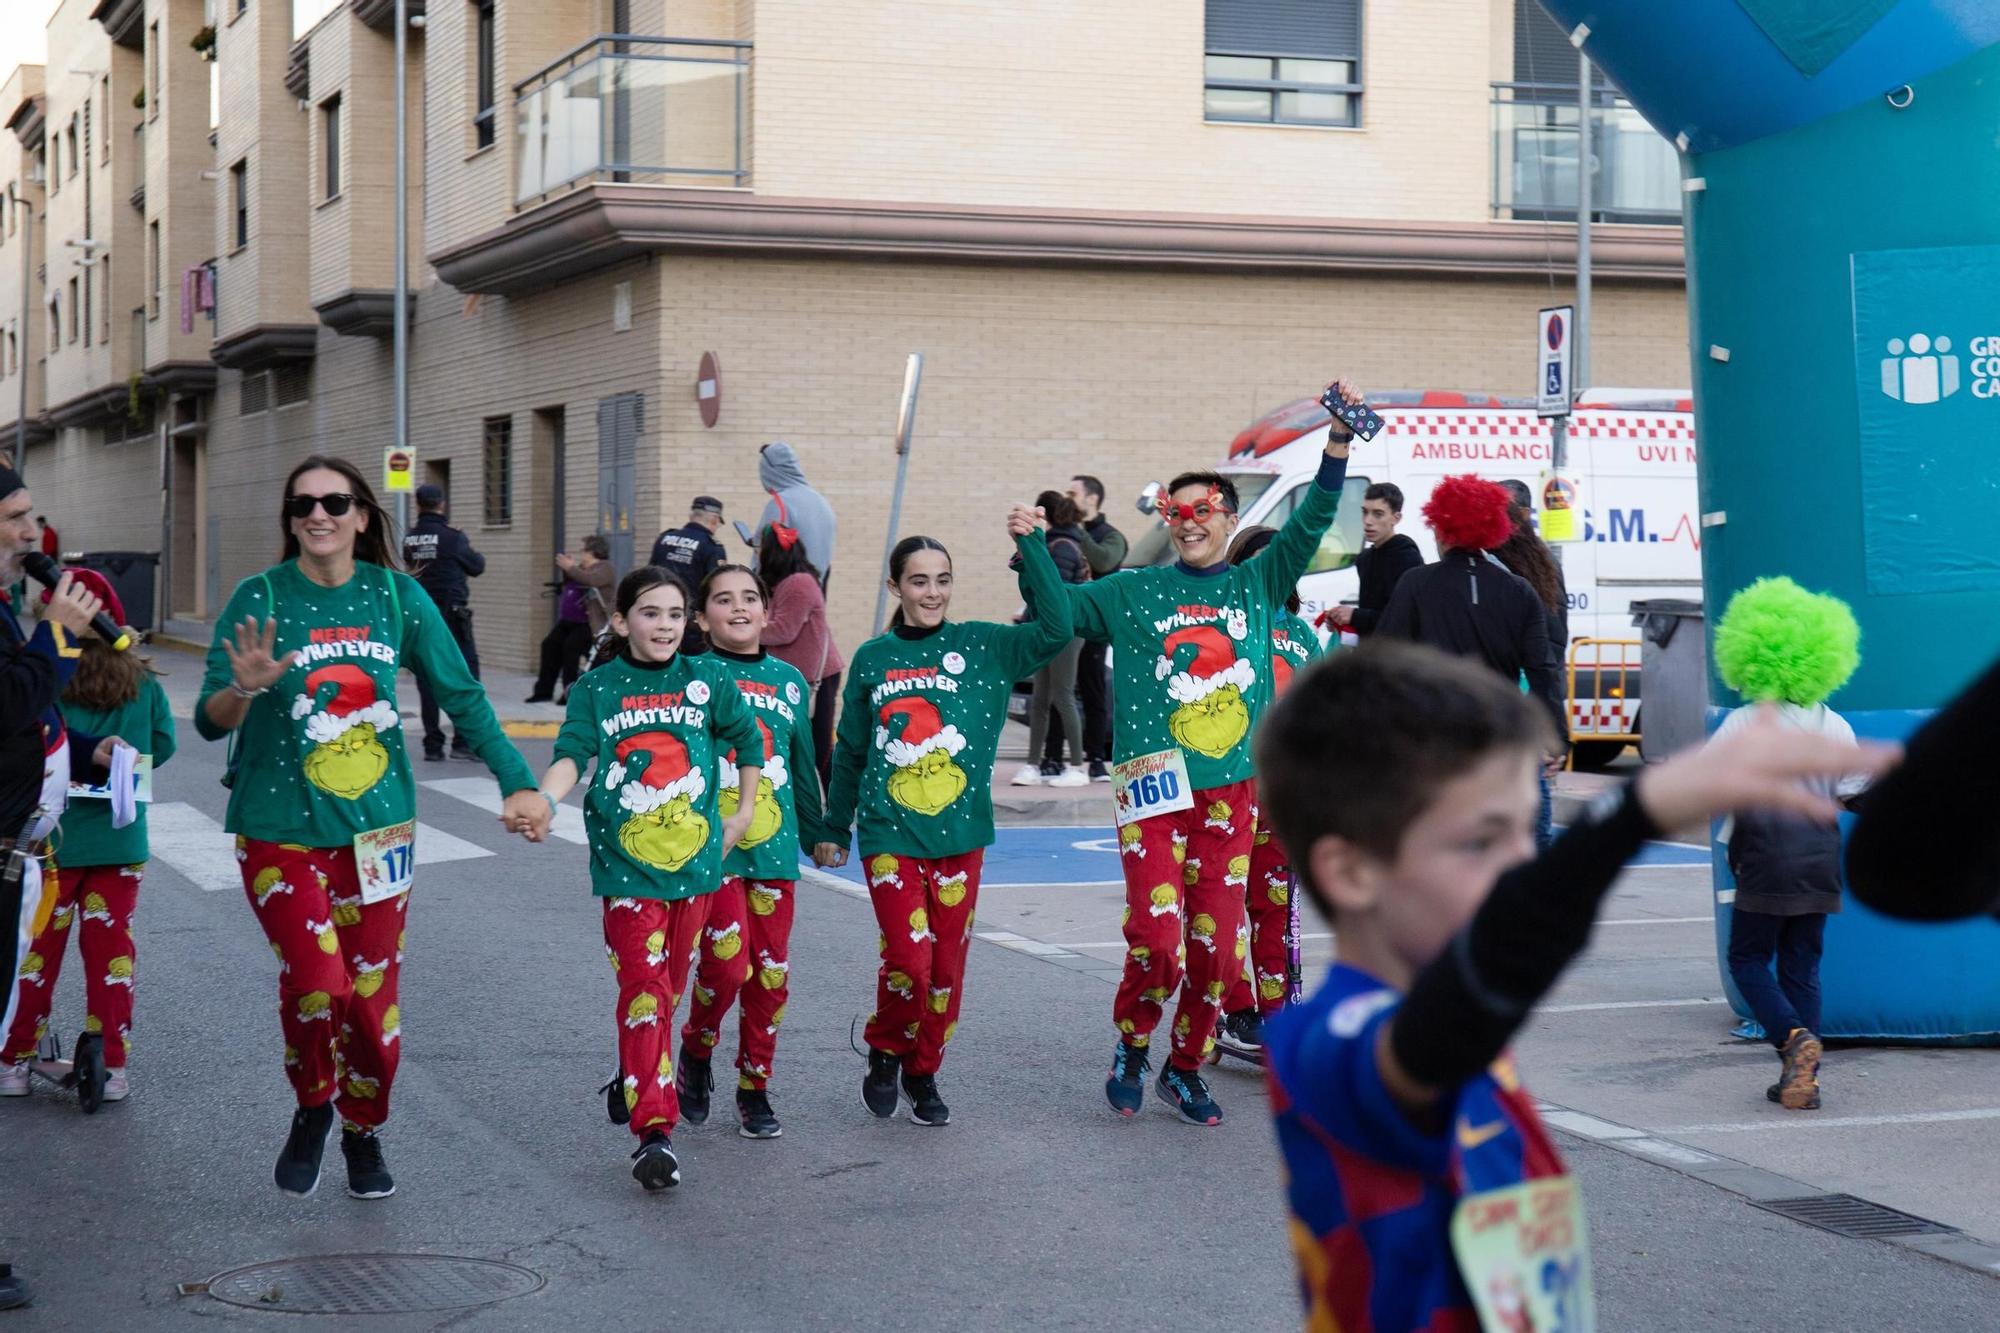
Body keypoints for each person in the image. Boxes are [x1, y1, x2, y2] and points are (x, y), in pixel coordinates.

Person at [1255, 641, 1896, 1332]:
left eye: (1525, 834)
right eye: (1480, 838)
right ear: (1352, 872)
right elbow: (1490, 973)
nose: (1522, 863)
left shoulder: (1464, 1030)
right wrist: (1633, 813)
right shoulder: (1331, 1046)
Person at [194, 454, 549, 1201]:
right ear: (290, 520)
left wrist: (517, 781)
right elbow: (206, 719)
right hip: (277, 827)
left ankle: (363, 1126)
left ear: (362, 514)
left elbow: (463, 695)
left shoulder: (398, 597)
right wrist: (241, 687)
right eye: (302, 505)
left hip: (378, 835)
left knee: (374, 1003)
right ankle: (314, 1101)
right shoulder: (258, 598)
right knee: (320, 982)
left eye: (334, 501)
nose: (317, 515)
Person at [1034, 378, 1359, 1127]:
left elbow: (1310, 521)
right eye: (1175, 511)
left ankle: (1185, 1065)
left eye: (1202, 510)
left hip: (1229, 791)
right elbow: (1059, 614)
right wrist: (1029, 547)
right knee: (1158, 941)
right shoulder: (1135, 590)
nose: (1187, 522)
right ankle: (1131, 1044)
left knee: (1216, 953)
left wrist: (1337, 445)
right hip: (1152, 784)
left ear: (1230, 518)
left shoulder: (1256, 583)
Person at [816, 506, 1072, 1127]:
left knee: (946, 969)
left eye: (942, 579)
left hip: (960, 836)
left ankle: (922, 1069)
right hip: (888, 831)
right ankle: (885, 1047)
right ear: (895, 588)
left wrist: (1031, 548)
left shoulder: (984, 644)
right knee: (910, 959)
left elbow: (1058, 626)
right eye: (919, 581)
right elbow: (850, 750)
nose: (932, 592)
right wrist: (833, 826)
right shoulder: (874, 659)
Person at [530, 565, 762, 1190]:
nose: (663, 626)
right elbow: (572, 755)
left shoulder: (707, 676)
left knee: (678, 988)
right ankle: (654, 1133)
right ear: (622, 620)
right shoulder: (598, 688)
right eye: (649, 613)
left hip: (697, 868)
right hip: (626, 871)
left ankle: (638, 1074)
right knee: (644, 991)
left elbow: (747, 741)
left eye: (673, 615)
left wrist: (741, 813)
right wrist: (547, 804)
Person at [2, 570, 173, 1111]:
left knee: (35, 956)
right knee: (110, 955)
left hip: (55, 848)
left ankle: (13, 1060)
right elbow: (163, 746)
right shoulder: (145, 683)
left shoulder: (50, 677)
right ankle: (114, 1064)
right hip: (120, 849)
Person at [675, 564, 827, 1140]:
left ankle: (754, 1086)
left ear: (768, 613)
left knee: (770, 974)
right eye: (722, 600)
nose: (738, 609)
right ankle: (697, 1045)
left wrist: (819, 832)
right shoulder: (689, 674)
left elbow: (804, 766)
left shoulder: (790, 680)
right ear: (701, 616)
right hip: (711, 853)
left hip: (775, 851)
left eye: (749, 599)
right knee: (728, 966)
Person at [1711, 577, 1870, 1112]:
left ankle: (1791, 1039)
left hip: (1764, 859)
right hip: (1820, 862)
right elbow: (1853, 794)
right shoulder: (1836, 725)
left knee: (1748, 958)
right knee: (1802, 966)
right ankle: (1805, 1081)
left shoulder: (1742, 723)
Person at [1213, 525, 1323, 1058]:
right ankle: (1232, 1010)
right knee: (1224, 902)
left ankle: (1279, 1013)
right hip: (1226, 789)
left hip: (1285, 793)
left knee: (1275, 905)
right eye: (1261, 561)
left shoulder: (1301, 634)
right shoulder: (1223, 628)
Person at [1377, 476, 1566, 745]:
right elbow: (1543, 670)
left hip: (1434, 731)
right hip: (1500, 733)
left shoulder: (1416, 583)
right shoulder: (1519, 590)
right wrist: (1557, 738)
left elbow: (1385, 657)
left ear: (1441, 530)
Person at [1492, 500, 1571, 849]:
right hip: (1530, 694)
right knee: (1533, 789)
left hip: (1512, 695)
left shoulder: (1503, 575)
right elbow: (1553, 640)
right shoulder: (1538, 566)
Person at [756, 519, 843, 792]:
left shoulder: (799, 583)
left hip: (813, 678)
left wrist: (742, 632)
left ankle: (832, 810)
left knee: (817, 748)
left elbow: (783, 630)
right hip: (793, 678)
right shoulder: (785, 583)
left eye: (760, 548)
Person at [1012, 489, 1091, 789]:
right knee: (1041, 699)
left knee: (1062, 695)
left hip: (1066, 631)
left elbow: (1050, 592)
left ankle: (1077, 767)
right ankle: (1033, 764)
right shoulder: (1063, 543)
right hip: (1050, 628)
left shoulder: (1060, 547)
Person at [401, 484, 486, 761]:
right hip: (452, 615)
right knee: (465, 675)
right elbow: (477, 566)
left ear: (418, 505)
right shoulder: (453, 537)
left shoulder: (410, 539)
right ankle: (462, 742)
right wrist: (465, 542)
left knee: (427, 678)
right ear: (442, 504)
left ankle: (433, 745)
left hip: (422, 617)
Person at [1063, 475, 1127, 780]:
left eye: (1072, 493)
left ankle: (1097, 759)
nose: (1067, 497)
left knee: (1094, 689)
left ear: (1091, 499)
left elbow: (1104, 560)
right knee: (1059, 691)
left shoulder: (1110, 535)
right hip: (1068, 624)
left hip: (1098, 625)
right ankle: (1054, 759)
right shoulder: (1065, 532)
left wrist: (1077, 533)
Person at [1324, 482, 1421, 639]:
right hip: (1370, 654)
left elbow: (1403, 619)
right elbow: (1372, 618)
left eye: (1378, 514)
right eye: (1365, 512)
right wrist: (1341, 620)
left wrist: (1354, 616)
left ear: (1396, 518)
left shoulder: (1406, 557)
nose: (1368, 521)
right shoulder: (1365, 558)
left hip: (1398, 657)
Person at [528, 535, 615, 704]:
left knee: (571, 648)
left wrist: (571, 567)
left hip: (589, 624)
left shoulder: (605, 568)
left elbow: (590, 580)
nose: (581, 554)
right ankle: (543, 690)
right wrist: (567, 568)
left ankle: (569, 693)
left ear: (593, 552)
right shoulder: (583, 567)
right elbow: (571, 578)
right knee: (550, 645)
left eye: (584, 550)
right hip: (569, 620)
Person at [648, 497, 729, 654]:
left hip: (658, 615)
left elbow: (650, 574)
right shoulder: (712, 547)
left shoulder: (665, 538)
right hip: (692, 624)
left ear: (692, 516)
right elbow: (718, 587)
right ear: (714, 519)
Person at [757, 443, 837, 586]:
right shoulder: (821, 501)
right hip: (816, 587)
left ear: (769, 470)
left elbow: (765, 549)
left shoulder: (781, 502)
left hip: (786, 588)